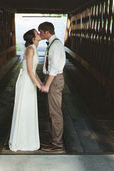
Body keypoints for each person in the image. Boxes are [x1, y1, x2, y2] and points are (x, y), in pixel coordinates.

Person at [9, 29, 43, 151]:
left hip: (31, 82)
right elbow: (29, 70)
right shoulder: (30, 49)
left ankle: (28, 140)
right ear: (33, 38)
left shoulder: (34, 48)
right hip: (26, 82)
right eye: (37, 32)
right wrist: (39, 86)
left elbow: (33, 70)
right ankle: (21, 141)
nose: (39, 33)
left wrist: (41, 83)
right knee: (24, 109)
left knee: (29, 109)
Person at [38, 21, 66, 152]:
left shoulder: (56, 45)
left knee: (55, 113)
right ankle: (53, 139)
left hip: (54, 80)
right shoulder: (53, 43)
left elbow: (54, 68)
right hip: (51, 79)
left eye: (41, 32)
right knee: (51, 112)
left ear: (47, 32)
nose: (39, 34)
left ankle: (57, 144)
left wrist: (47, 85)